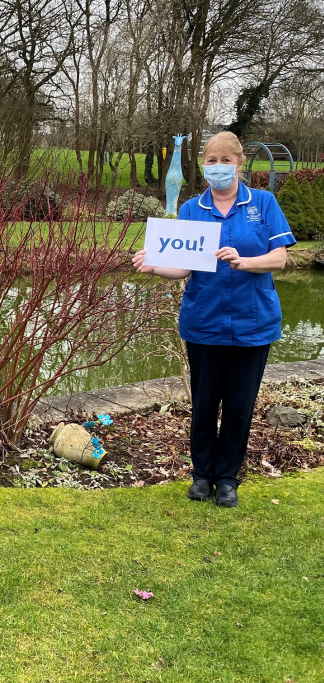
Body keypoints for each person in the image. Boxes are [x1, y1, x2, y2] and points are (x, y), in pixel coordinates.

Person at [133, 131, 295, 507]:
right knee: (205, 405)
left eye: (225, 160)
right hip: (203, 322)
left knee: (239, 406)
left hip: (253, 324)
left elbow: (280, 258)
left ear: (239, 163)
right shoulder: (192, 209)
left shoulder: (264, 203)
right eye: (211, 160)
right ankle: (202, 475)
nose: (218, 167)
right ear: (202, 164)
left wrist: (245, 262)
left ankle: (227, 479)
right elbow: (184, 268)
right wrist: (155, 266)